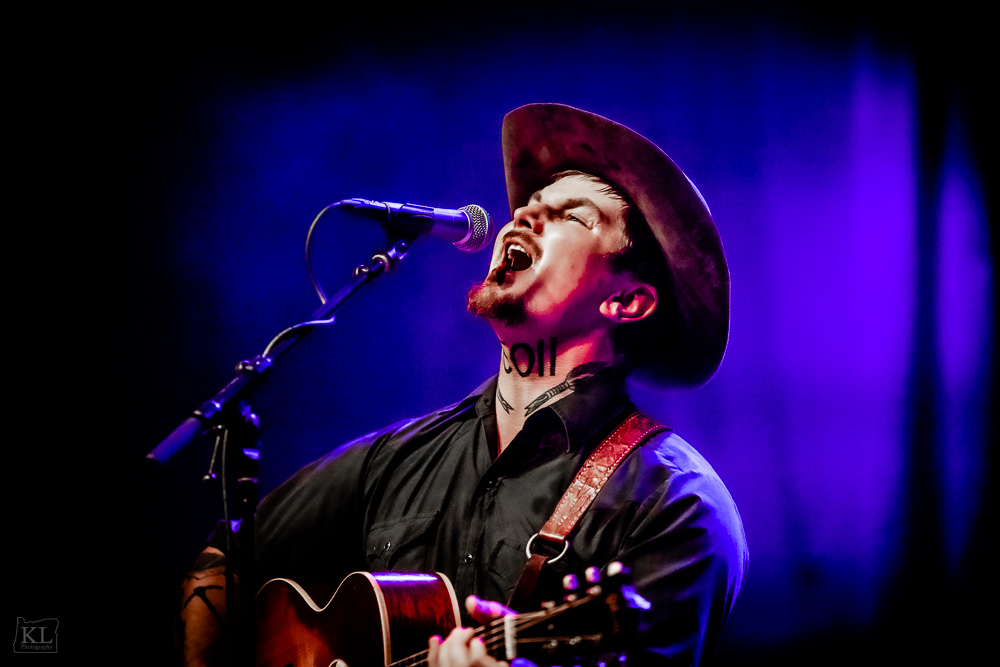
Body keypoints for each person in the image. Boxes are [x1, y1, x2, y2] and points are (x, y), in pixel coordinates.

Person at [176, 103, 748, 667]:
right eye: (528, 205)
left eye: (572, 216)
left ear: (626, 300)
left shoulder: (675, 504)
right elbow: (223, 559)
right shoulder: (395, 459)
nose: (523, 216)